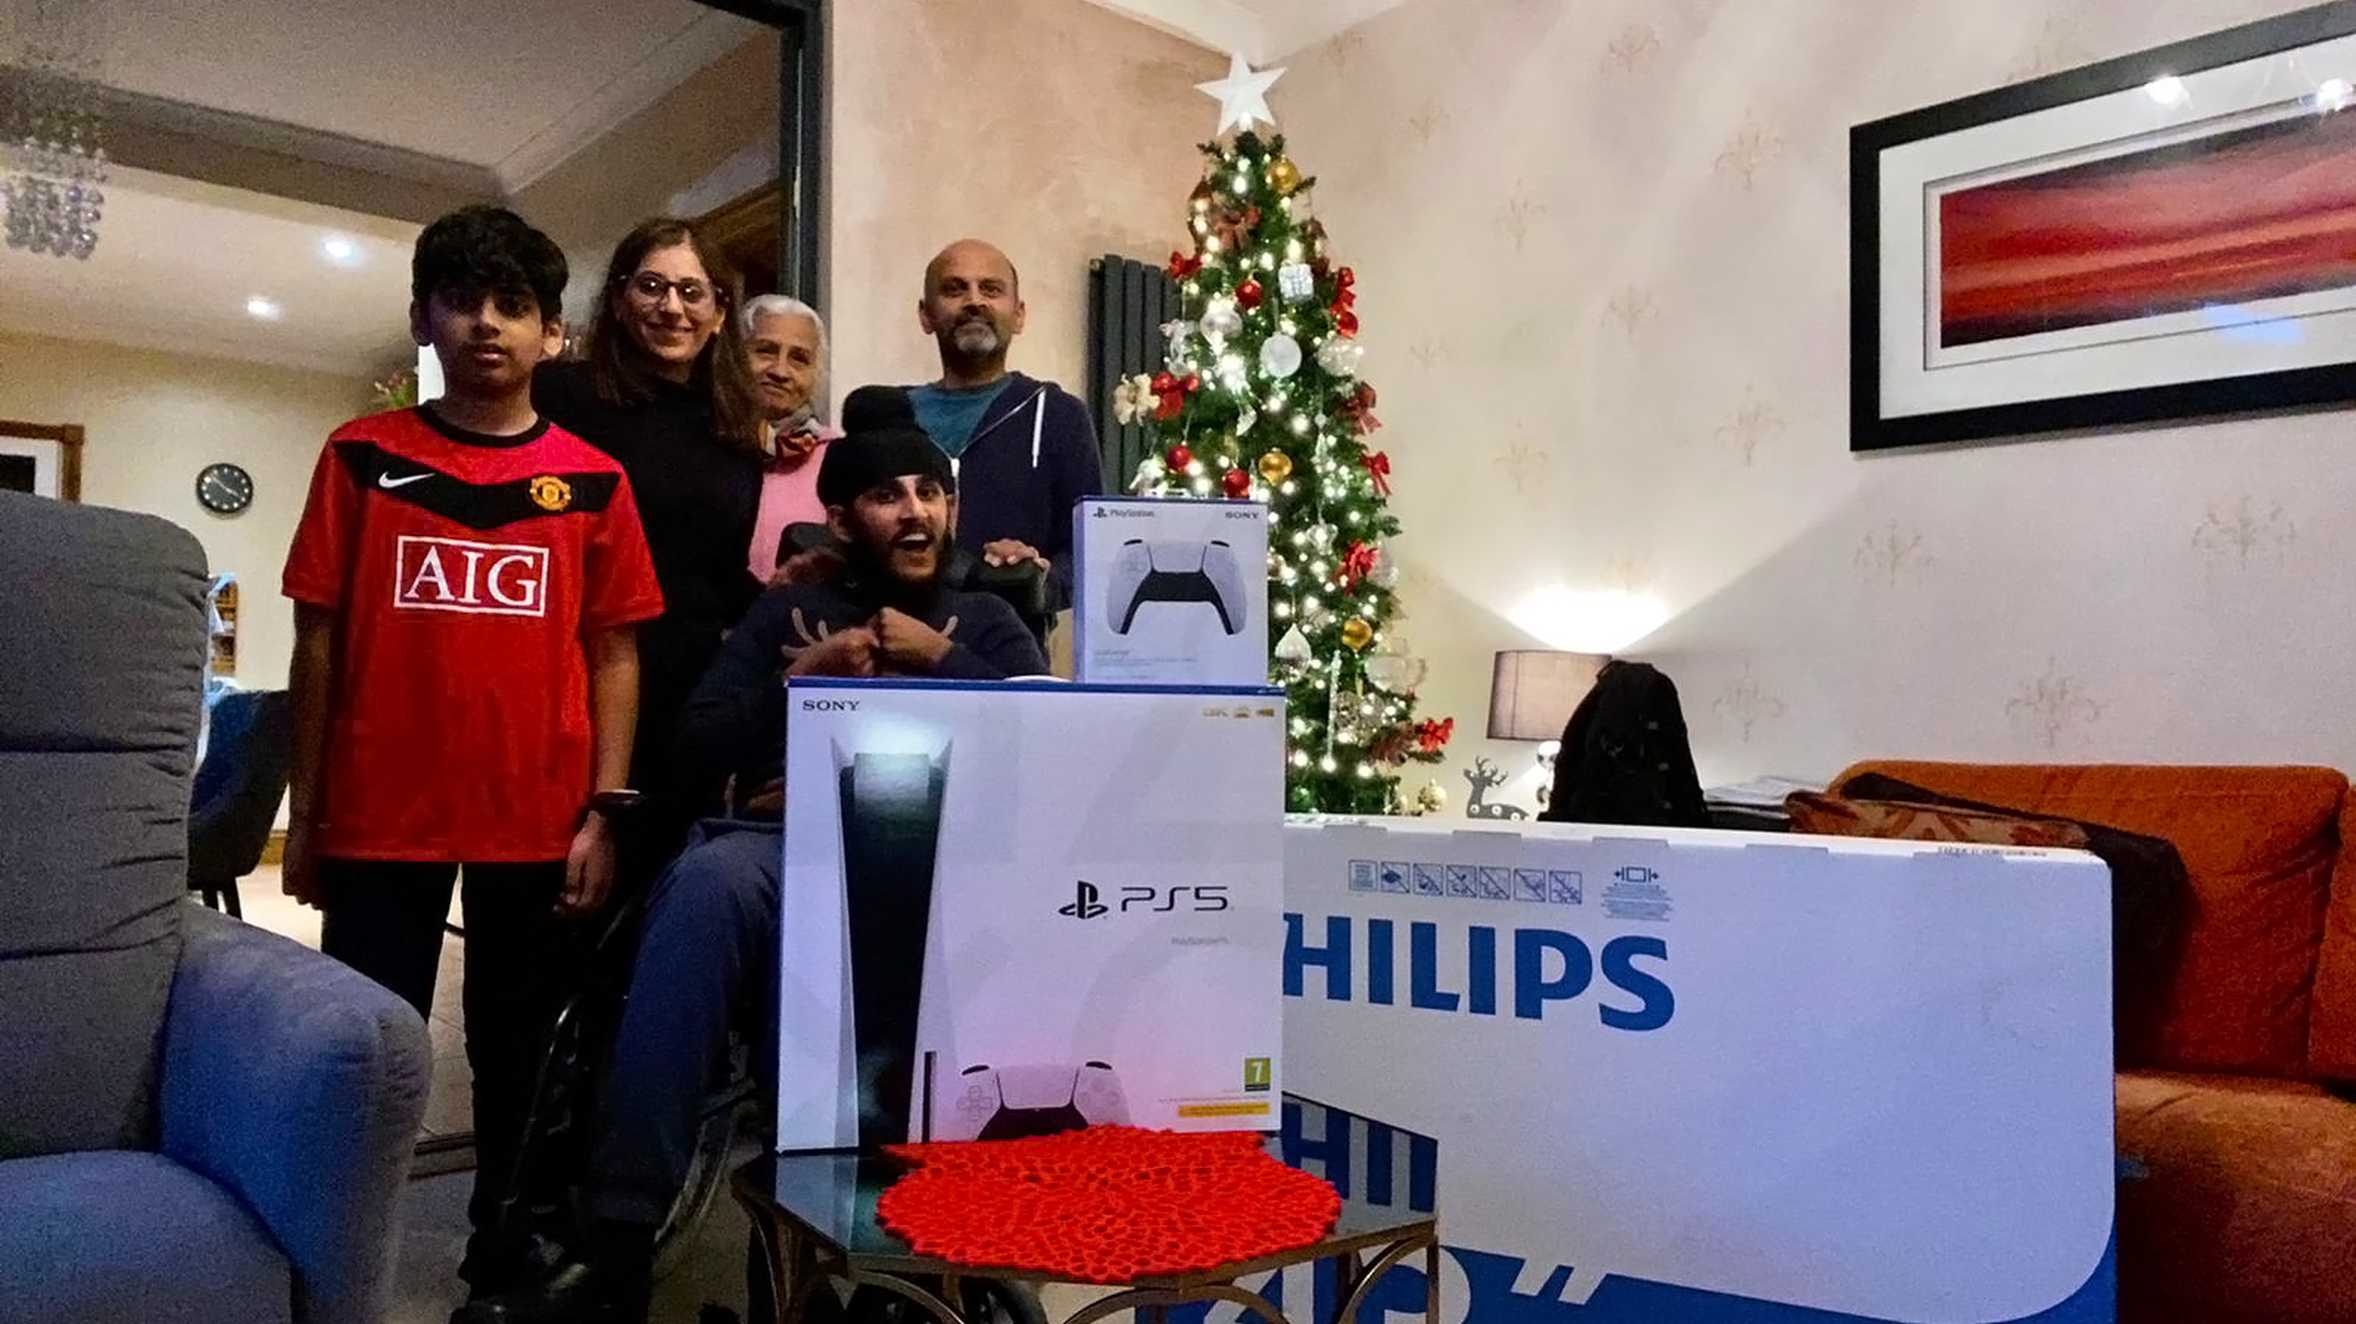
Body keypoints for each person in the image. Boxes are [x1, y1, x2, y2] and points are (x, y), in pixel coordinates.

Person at [460, 387, 1047, 1324]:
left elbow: (1053, 752)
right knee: (704, 887)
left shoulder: (988, 624)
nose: (915, 511)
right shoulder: (789, 615)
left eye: (930, 492)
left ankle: (901, 1258)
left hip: (937, 861)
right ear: (845, 518)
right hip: (777, 845)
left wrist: (941, 659)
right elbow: (693, 748)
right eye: (888, 497)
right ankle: (616, 1247)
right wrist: (795, 685)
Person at [279, 205, 664, 1294]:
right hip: (376, 814)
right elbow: (318, 639)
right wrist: (305, 817)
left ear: (552, 334)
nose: (486, 324)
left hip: (537, 821)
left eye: (514, 306)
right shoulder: (359, 458)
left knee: (518, 1052)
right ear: (422, 317)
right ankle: (331, 1253)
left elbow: (616, 654)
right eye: (463, 300)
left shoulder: (595, 481)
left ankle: (500, 1251)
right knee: (362, 1053)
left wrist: (605, 809)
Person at [535, 217, 766, 859]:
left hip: (683, 698)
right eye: (652, 286)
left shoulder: (735, 431)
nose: (672, 308)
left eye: (693, 293)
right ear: (618, 298)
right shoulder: (559, 396)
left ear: (721, 312)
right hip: (575, 679)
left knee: (651, 897)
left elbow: (716, 573)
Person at [908, 238, 1104, 610]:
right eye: (954, 289)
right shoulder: (892, 416)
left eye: (991, 289)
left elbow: (1088, 551)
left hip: (1011, 650)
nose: (974, 301)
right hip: (895, 646)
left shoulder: (1058, 415)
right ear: (926, 314)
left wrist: (1038, 576)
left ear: (1019, 314)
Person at [741, 292, 843, 581]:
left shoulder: (839, 457)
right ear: (734, 357)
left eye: (799, 359)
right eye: (766, 351)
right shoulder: (704, 445)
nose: (780, 371)